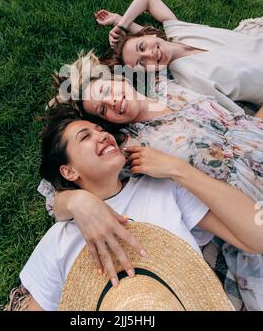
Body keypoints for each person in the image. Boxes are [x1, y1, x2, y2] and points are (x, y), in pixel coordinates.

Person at [47, 51, 263, 310]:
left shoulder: (169, 86)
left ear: (121, 80)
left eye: (106, 90)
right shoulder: (130, 147)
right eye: (102, 110)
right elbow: (55, 195)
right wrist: (77, 201)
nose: (112, 103)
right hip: (248, 199)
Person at [18, 116, 262, 311]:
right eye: (85, 137)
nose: (102, 135)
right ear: (69, 172)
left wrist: (179, 170)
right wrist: (78, 202)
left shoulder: (162, 189)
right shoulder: (60, 238)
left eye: (100, 129)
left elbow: (257, 235)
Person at [94, 0, 263, 114]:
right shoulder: (189, 80)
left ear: (151, 34)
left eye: (142, 47)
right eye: (142, 63)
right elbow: (239, 116)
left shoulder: (179, 31)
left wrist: (121, 23)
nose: (149, 55)